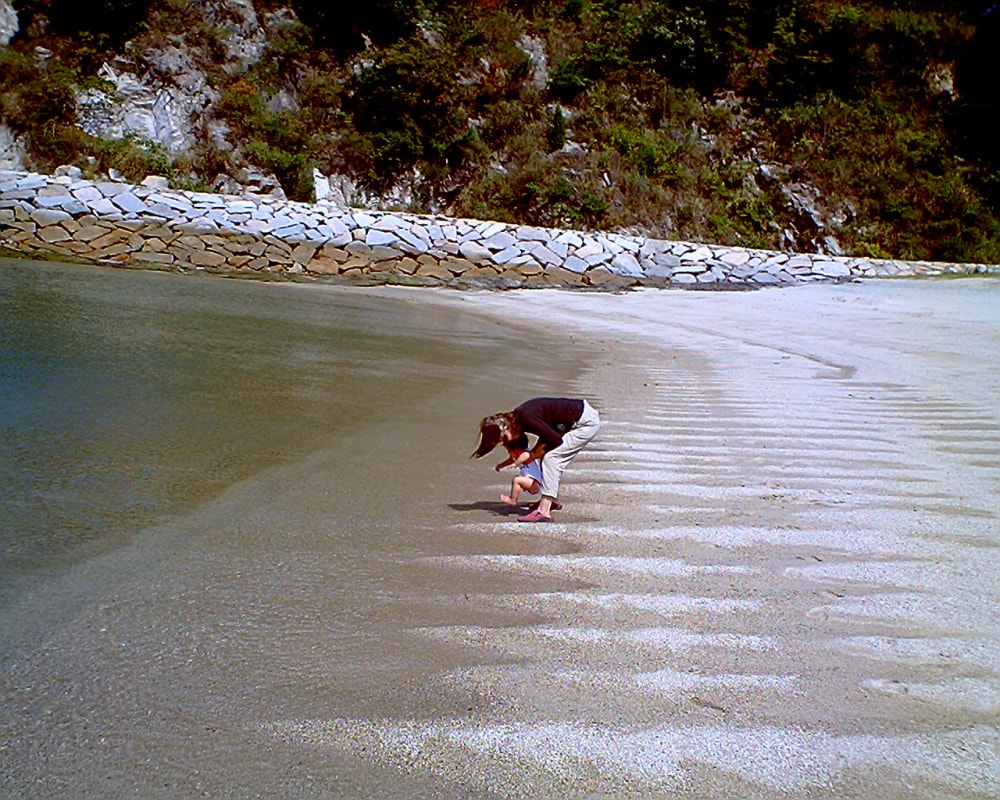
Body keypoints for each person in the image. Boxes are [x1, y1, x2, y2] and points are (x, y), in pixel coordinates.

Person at [472, 397, 600, 522]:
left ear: (505, 428)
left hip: (585, 422)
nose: (505, 442)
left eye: (503, 439)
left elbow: (555, 439)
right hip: (574, 420)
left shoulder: (526, 418)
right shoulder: (519, 417)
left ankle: (544, 511)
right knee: (546, 454)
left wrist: (533, 455)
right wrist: (533, 454)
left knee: (551, 459)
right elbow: (548, 433)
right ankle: (551, 501)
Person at [494, 436, 543, 507]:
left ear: (516, 449)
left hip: (535, 483)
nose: (509, 453)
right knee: (518, 480)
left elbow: (527, 455)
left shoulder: (525, 453)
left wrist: (516, 463)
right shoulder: (518, 456)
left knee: (516, 480)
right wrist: (501, 465)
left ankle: (513, 500)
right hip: (531, 482)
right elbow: (511, 460)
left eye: (509, 451)